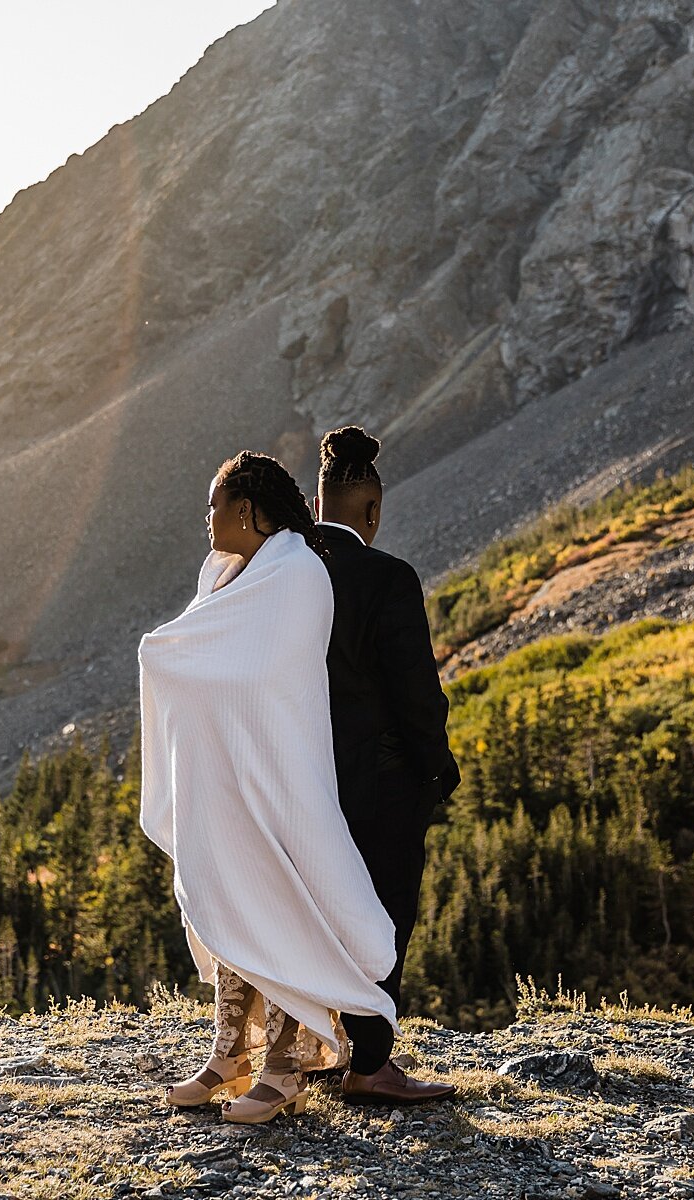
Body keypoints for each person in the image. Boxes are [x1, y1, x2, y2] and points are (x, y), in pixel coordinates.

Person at [137, 450, 401, 1124]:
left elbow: (261, 674)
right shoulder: (225, 574)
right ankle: (230, 1052)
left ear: (247, 511)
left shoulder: (297, 573)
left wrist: (166, 657)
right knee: (231, 898)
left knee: (277, 904)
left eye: (216, 504)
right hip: (228, 775)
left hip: (277, 773)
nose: (208, 517)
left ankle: (284, 1064)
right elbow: (212, 659)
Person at [313, 426, 461, 1105]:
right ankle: (371, 1062)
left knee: (312, 910)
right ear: (371, 510)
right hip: (381, 783)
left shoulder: (281, 573)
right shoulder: (388, 578)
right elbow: (414, 691)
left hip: (301, 780)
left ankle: (317, 1043)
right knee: (383, 916)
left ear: (319, 503)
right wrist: (437, 768)